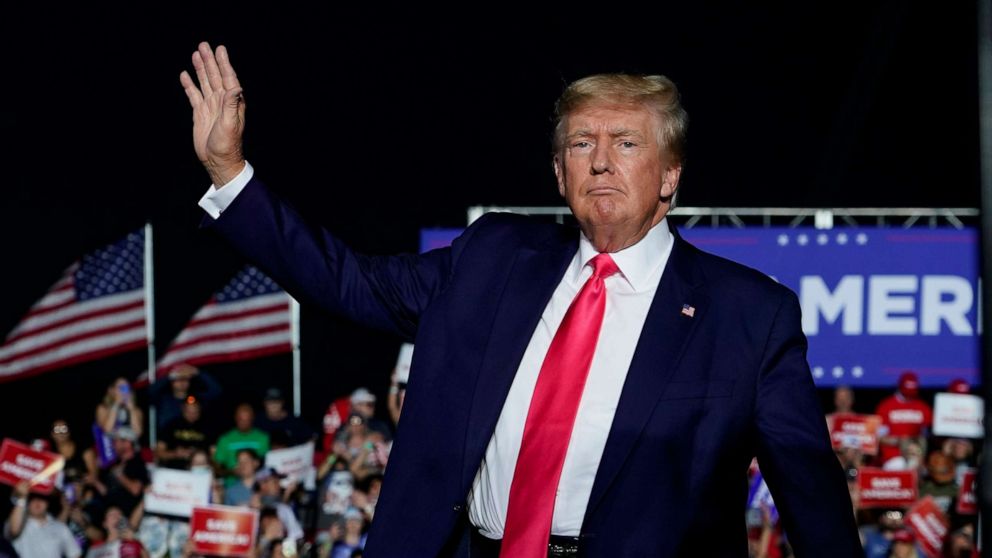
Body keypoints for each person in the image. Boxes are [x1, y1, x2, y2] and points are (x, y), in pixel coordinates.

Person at [180, 42, 861, 556]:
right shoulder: (492, 260)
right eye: (581, 143)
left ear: (670, 174)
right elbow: (346, 280)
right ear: (558, 170)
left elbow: (811, 496)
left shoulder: (747, 315)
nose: (600, 160)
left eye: (626, 143)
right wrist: (227, 171)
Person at [3, 481, 81, 558]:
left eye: (42, 497)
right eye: (33, 497)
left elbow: (75, 554)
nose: (38, 501)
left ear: (48, 502)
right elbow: (14, 530)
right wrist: (21, 499)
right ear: (27, 501)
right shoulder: (18, 521)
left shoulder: (60, 527)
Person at [875, 372, 933, 464]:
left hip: (917, 456)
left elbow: (925, 437)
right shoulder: (886, 407)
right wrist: (900, 441)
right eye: (906, 393)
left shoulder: (923, 408)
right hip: (893, 456)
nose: (908, 397)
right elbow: (879, 438)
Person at [148, 363, 221, 430]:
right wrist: (170, 376)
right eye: (178, 379)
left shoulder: (197, 399)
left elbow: (216, 390)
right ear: (172, 382)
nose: (182, 382)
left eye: (185, 379)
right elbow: (151, 391)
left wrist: (198, 372)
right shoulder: (163, 399)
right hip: (168, 440)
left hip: (194, 437)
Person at [212, 403, 270, 478]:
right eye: (241, 419)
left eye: (247, 420)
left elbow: (267, 463)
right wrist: (232, 472)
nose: (244, 423)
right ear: (235, 418)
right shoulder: (225, 439)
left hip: (256, 482)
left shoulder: (263, 437)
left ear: (252, 418)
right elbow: (217, 467)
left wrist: (250, 471)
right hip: (231, 484)